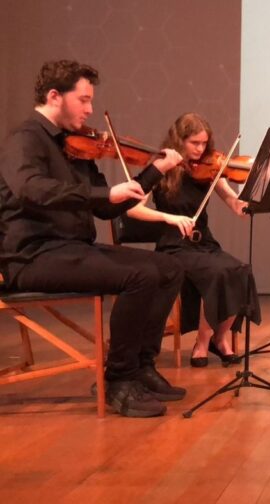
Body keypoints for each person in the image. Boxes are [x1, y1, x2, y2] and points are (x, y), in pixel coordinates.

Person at [0, 60, 186, 417]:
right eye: (83, 100)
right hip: (32, 255)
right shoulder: (23, 140)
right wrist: (105, 195)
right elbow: (31, 189)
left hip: (71, 250)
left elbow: (106, 208)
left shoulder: (77, 146)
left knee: (169, 268)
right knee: (140, 275)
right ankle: (118, 379)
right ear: (55, 96)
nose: (89, 110)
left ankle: (141, 365)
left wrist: (153, 172)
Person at [126, 112, 260, 367]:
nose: (200, 149)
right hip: (174, 246)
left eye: (204, 143)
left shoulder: (210, 168)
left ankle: (219, 339)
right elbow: (133, 209)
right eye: (194, 143)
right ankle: (202, 340)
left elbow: (231, 199)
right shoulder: (161, 167)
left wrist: (241, 206)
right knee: (218, 273)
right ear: (180, 141)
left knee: (240, 271)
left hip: (203, 243)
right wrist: (169, 218)